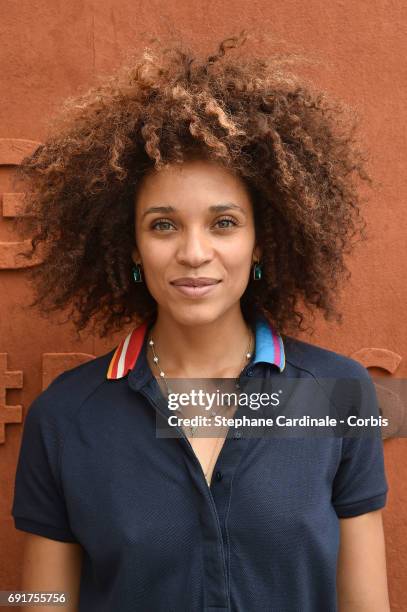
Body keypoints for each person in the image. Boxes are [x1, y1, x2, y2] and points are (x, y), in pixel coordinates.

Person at [11, 33, 390, 611]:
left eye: (223, 223)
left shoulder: (336, 396)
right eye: (163, 225)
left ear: (262, 241)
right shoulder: (64, 417)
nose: (193, 252)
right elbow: (36, 602)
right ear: (132, 246)